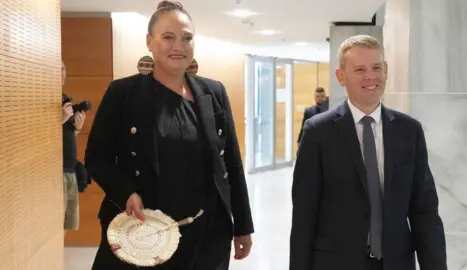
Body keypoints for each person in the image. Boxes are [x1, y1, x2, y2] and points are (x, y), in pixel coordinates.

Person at [85, 1, 254, 269]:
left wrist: (242, 225)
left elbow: (231, 163)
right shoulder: (123, 93)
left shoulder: (213, 93)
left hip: (206, 233)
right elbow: (97, 157)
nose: (179, 46)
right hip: (144, 232)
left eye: (187, 38)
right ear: (150, 41)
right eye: (168, 37)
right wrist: (126, 191)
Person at [289, 35, 447, 270]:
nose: (370, 76)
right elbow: (304, 215)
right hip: (335, 263)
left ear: (385, 70)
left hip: (396, 262)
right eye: (360, 69)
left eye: (376, 67)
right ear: (341, 77)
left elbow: (425, 212)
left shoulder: (409, 131)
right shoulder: (318, 132)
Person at [62, 61, 86, 233]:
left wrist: (77, 128)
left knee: (68, 223)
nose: (60, 73)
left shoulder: (64, 98)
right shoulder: (40, 98)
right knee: (56, 223)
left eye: (62, 69)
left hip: (70, 169)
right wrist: (61, 119)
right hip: (57, 171)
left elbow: (66, 135)